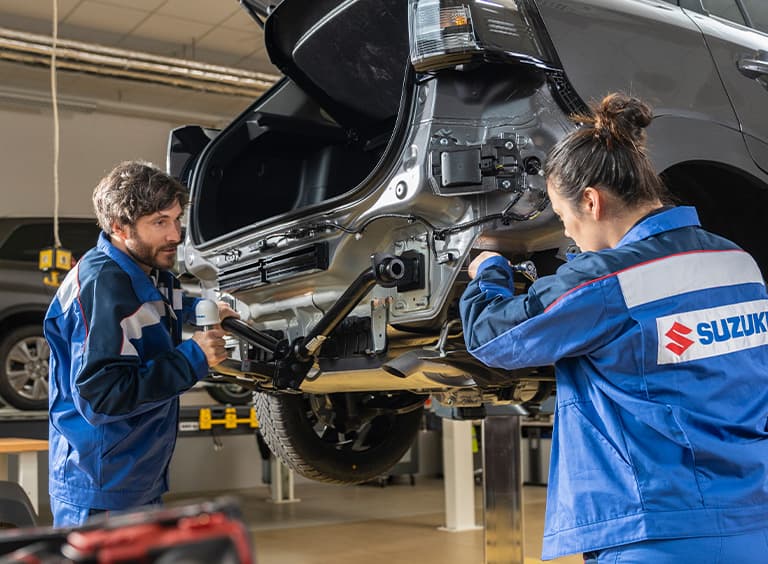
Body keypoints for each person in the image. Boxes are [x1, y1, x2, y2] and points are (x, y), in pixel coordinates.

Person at [460, 94, 768, 562]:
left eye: (564, 219)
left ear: (591, 200)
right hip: (753, 522)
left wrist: (490, 271)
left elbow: (491, 336)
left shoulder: (605, 283)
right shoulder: (738, 262)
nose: (567, 235)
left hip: (655, 531)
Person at [45, 161, 236, 527]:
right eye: (159, 222)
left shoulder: (148, 271)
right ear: (119, 227)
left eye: (176, 220)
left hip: (133, 476)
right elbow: (102, 397)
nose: (176, 235)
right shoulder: (105, 286)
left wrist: (206, 310)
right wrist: (193, 357)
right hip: (102, 487)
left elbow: (156, 310)